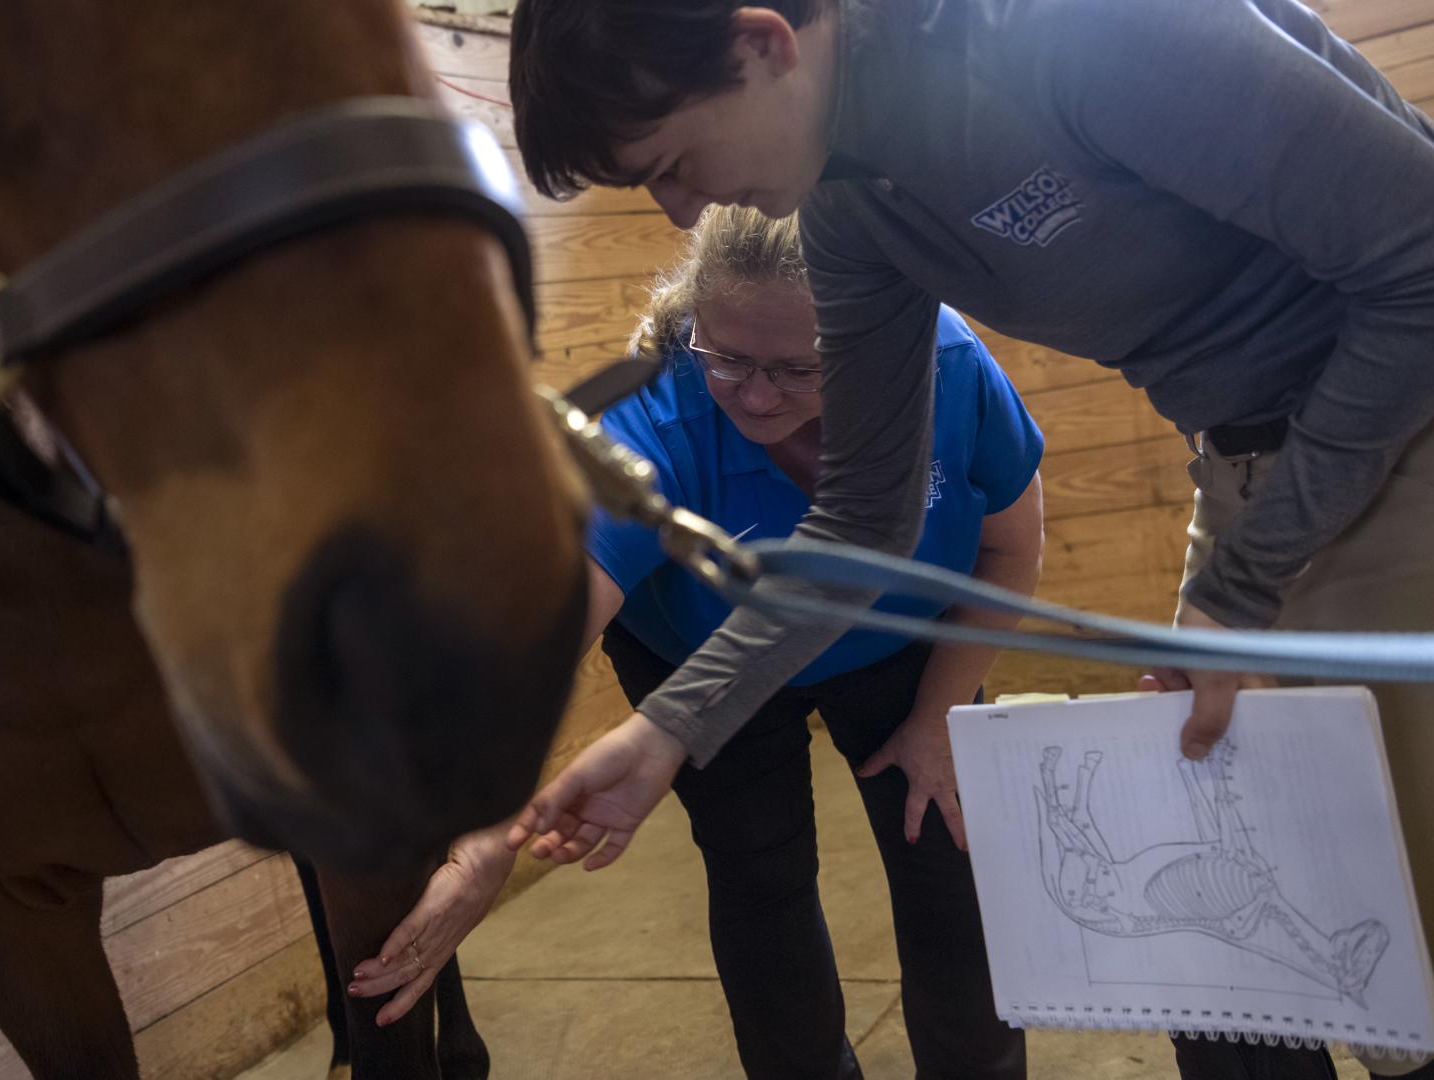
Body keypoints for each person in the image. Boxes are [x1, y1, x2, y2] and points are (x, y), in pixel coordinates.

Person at [503, 2, 1434, 1077]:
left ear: (763, 46)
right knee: (1260, 939)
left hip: (1395, 423)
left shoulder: (1081, 31)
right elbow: (862, 515)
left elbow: (1419, 264)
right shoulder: (848, 208)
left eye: (672, 162)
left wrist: (1239, 582)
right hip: (1242, 462)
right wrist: (669, 728)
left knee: (1397, 953)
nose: (679, 210)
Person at [347, 206, 1045, 1078]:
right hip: (692, 654)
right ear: (693, 325)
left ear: (866, 336)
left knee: (944, 861)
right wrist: (489, 824)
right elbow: (550, 631)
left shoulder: (941, 363)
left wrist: (940, 714)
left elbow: (1011, 545)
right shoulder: (653, 410)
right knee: (760, 875)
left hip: (896, 641)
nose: (756, 396)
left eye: (797, 367)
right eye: (728, 359)